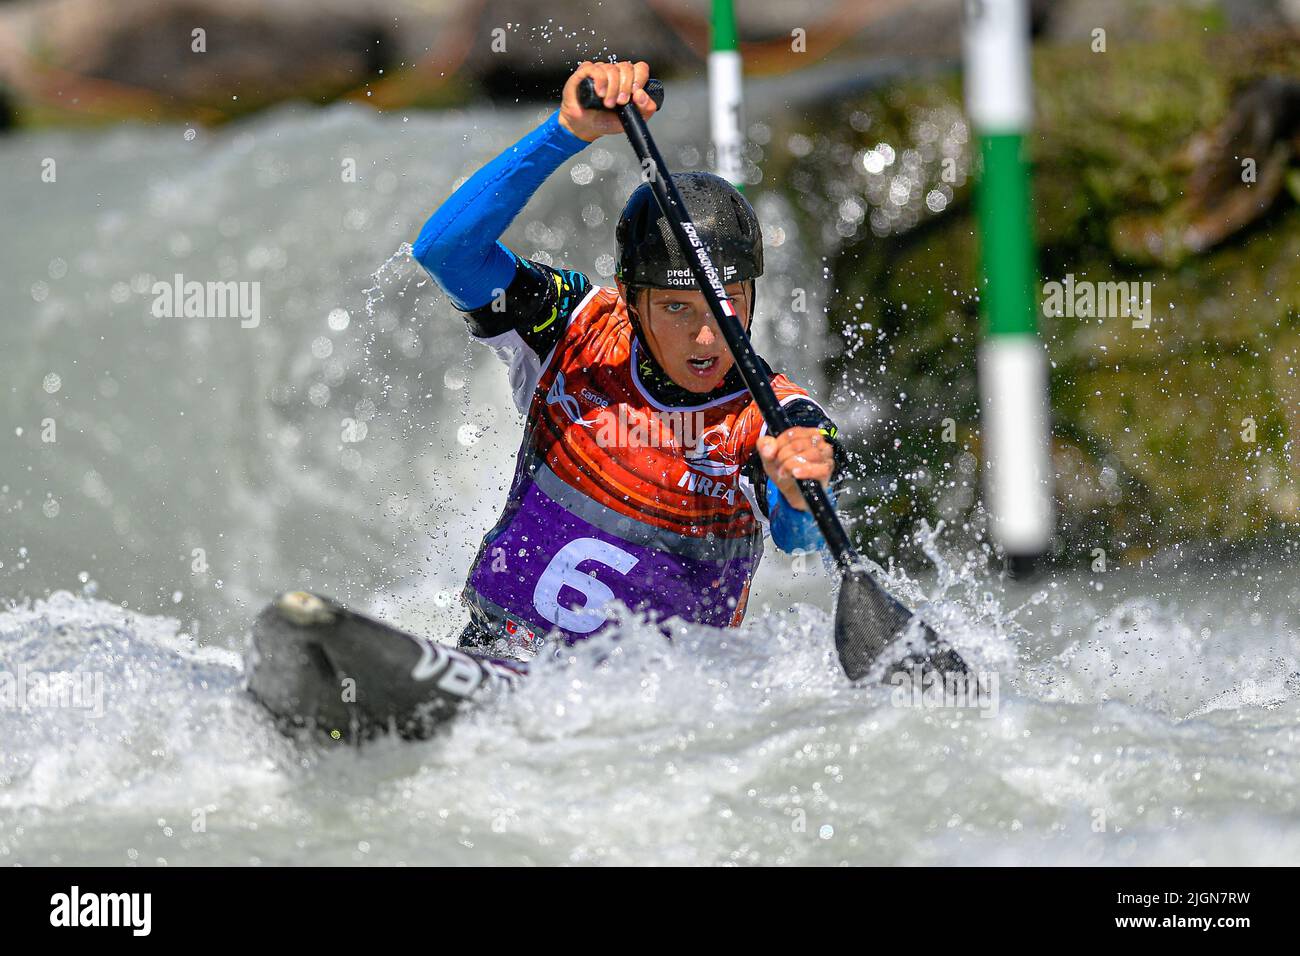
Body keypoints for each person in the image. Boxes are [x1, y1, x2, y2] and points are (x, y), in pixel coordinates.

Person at [414, 60, 844, 660]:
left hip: (646, 717)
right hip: (496, 658)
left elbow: (800, 536)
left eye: (727, 306)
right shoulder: (570, 326)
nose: (705, 338)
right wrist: (566, 131)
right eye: (675, 308)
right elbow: (445, 251)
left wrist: (796, 490)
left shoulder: (773, 416)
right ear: (628, 296)